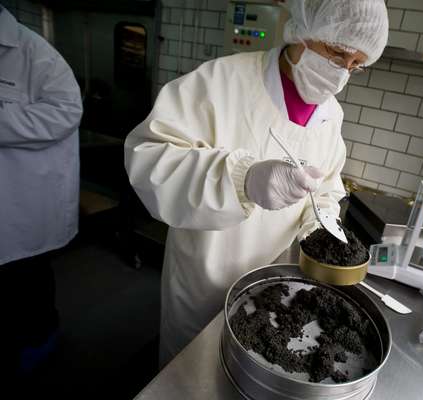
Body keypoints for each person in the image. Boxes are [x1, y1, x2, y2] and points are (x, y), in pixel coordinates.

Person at [125, 0, 388, 367]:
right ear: (305, 30)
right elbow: (149, 158)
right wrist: (241, 179)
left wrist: (320, 222)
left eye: (356, 65)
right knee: (192, 373)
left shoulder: (331, 114)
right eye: (338, 52)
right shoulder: (220, 82)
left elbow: (326, 186)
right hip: (206, 275)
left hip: (273, 285)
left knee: (257, 372)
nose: (342, 73)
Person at [0, 4, 82, 377]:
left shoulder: (32, 51)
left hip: (23, 200)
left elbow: (67, 110)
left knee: (26, 279)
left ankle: (41, 345)